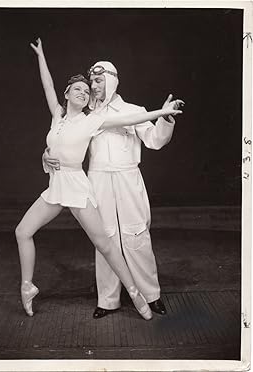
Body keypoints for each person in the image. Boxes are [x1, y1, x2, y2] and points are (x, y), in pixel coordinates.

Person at [15, 38, 183, 320]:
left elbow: (155, 141)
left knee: (136, 235)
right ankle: (108, 300)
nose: (93, 86)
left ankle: (150, 295)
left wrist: (165, 118)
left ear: (112, 81)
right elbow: (65, 141)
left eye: (97, 80)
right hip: (97, 179)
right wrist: (47, 154)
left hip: (128, 178)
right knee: (105, 237)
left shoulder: (133, 111)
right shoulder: (87, 114)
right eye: (90, 81)